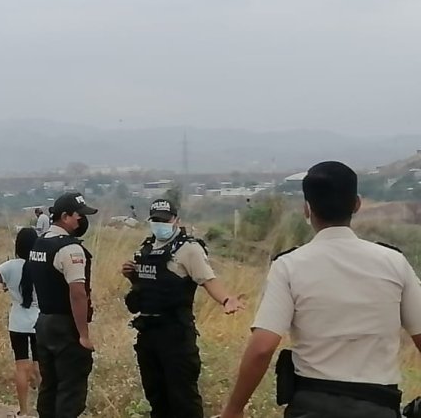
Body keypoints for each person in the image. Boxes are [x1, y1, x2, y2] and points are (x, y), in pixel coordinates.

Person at [219, 161, 421, 418]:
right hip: (378, 406)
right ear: (357, 204)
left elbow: (261, 349)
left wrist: (233, 410)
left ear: (307, 208)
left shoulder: (289, 266)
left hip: (311, 406)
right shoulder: (394, 263)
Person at [122, 199, 244, 418]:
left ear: (176, 220)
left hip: (175, 335)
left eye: (165, 220)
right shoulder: (147, 248)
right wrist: (132, 275)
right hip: (148, 334)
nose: (160, 224)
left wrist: (227, 300)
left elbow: (207, 279)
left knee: (183, 400)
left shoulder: (189, 249)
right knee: (157, 398)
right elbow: (147, 288)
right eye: (156, 220)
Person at [28, 192, 98, 418]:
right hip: (64, 325)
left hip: (43, 323)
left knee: (49, 386)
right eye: (79, 216)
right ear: (66, 216)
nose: (82, 221)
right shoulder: (70, 249)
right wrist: (83, 335)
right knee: (70, 389)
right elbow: (77, 294)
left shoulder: (40, 243)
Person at [0, 227, 42, 418]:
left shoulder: (11, 266)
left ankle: (24, 411)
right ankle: (44, 408)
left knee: (21, 367)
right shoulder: (41, 265)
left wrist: (5, 282)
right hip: (39, 320)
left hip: (18, 321)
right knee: (39, 365)